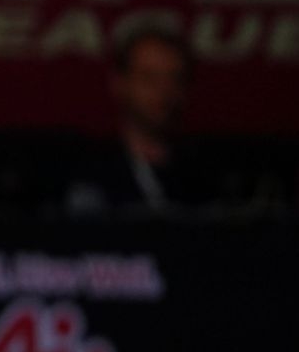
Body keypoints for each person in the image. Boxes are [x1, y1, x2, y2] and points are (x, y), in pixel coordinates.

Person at [64, 22, 213, 213]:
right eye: (149, 78)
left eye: (175, 78)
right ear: (119, 83)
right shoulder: (88, 170)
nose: (163, 92)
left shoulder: (205, 175)